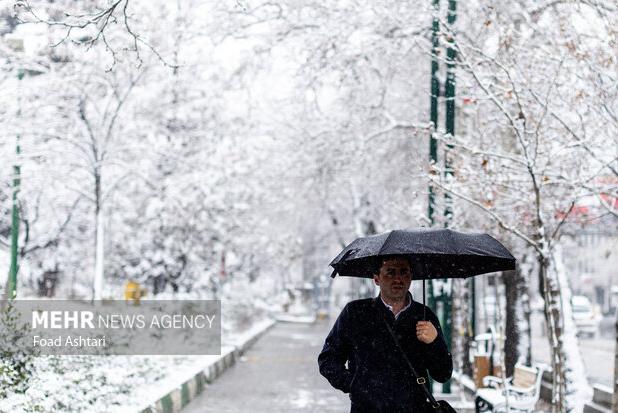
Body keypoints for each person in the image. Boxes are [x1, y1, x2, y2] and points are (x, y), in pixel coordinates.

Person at [318, 255, 453, 412]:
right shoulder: (356, 312)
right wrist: (353, 384)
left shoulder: (424, 315)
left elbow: (443, 374)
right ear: (376, 278)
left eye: (404, 272)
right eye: (390, 272)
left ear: (411, 277)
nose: (398, 278)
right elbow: (328, 359)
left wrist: (434, 342)